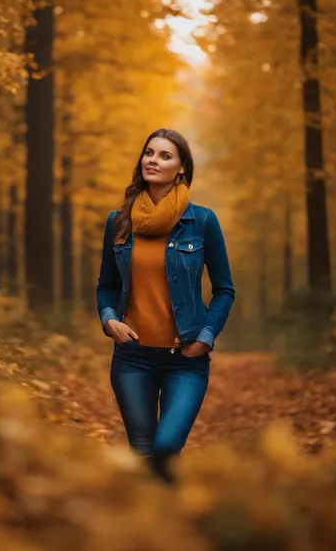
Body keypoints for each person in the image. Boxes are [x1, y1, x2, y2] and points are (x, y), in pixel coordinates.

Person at [96, 128, 235, 484]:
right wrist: (109, 318)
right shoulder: (120, 221)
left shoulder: (202, 221)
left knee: (167, 445)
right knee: (143, 456)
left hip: (185, 360)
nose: (153, 161)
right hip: (132, 358)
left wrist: (205, 336)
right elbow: (106, 286)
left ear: (182, 169)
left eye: (164, 156)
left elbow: (224, 290)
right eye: (149, 153)